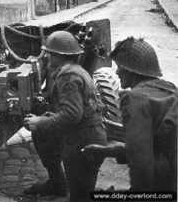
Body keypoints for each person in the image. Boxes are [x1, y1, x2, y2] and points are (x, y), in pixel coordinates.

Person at [83, 37, 177, 192]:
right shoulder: (169, 89)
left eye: (120, 67)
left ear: (132, 71)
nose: (118, 72)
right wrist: (106, 151)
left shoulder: (136, 98)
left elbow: (141, 162)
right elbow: (154, 148)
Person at [23, 31, 107, 202]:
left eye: (50, 53)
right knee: (43, 136)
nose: (46, 56)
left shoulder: (68, 75)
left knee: (80, 196)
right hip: (88, 134)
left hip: (83, 141)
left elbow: (71, 116)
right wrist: (48, 119)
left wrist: (40, 121)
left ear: (60, 56)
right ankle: (57, 184)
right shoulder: (76, 70)